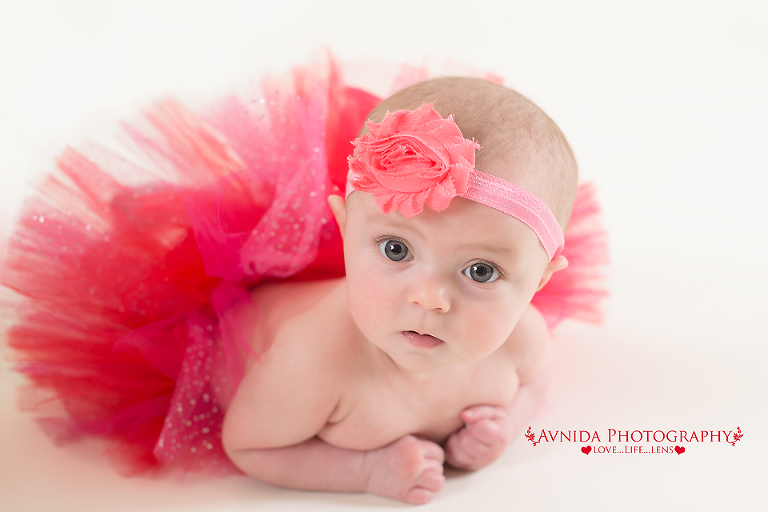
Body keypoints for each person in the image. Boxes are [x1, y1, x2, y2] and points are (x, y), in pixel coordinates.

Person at [1, 59, 606, 505]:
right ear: (344, 232)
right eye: (395, 249)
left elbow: (534, 382)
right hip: (227, 340)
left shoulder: (520, 341)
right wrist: (367, 471)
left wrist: (508, 425)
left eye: (481, 271)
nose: (429, 297)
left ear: (539, 280)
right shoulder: (314, 362)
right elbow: (251, 446)